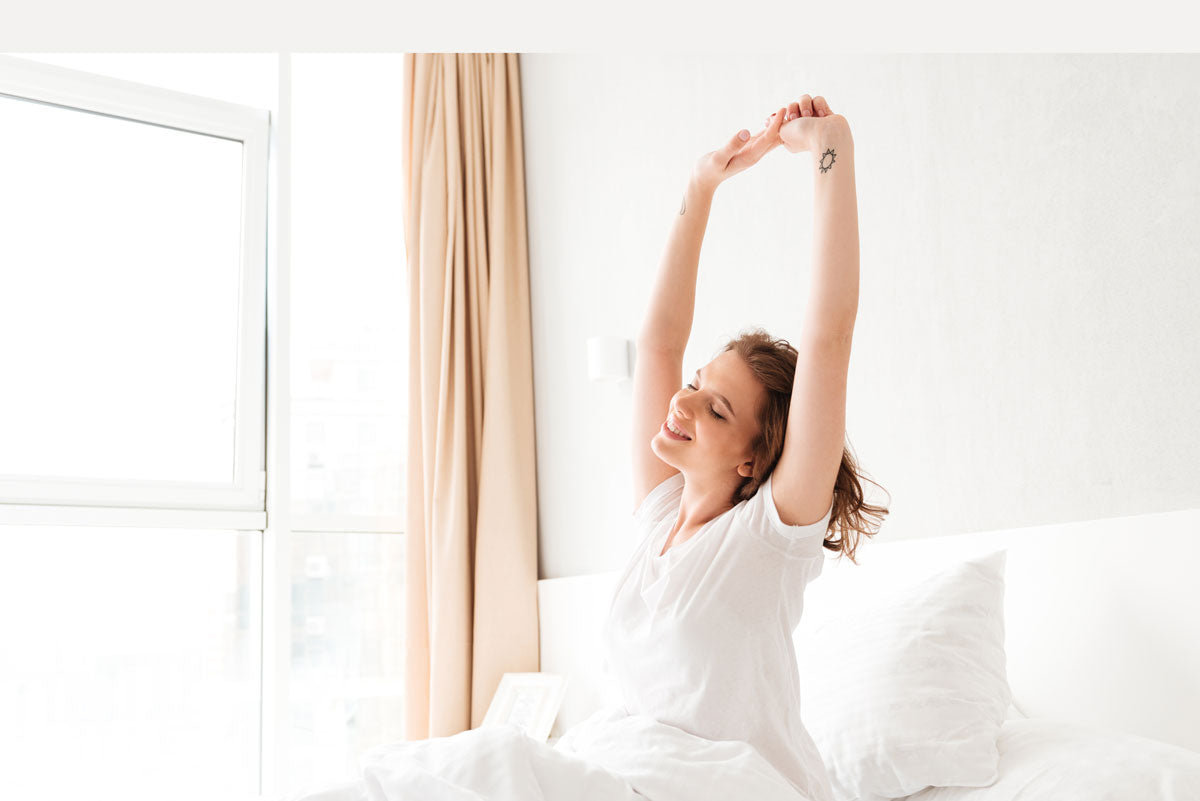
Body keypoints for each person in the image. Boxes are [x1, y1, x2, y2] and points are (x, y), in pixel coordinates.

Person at [603, 94, 890, 801]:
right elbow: (660, 342)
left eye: (717, 406)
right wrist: (703, 186)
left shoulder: (768, 538)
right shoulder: (659, 517)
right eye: (699, 383)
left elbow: (829, 333)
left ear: (753, 460)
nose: (683, 400)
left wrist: (832, 149)